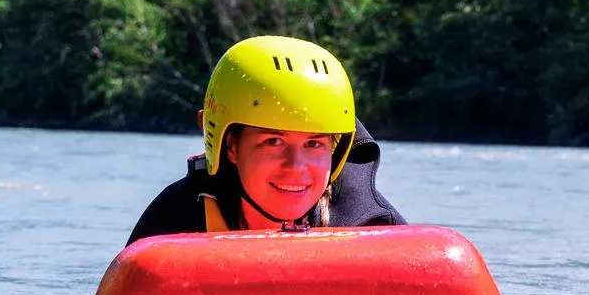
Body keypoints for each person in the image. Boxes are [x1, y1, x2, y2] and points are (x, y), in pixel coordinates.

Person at [128, 34, 403, 244]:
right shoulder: (174, 221)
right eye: (274, 142)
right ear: (231, 146)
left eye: (314, 143)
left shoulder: (372, 225)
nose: (295, 167)